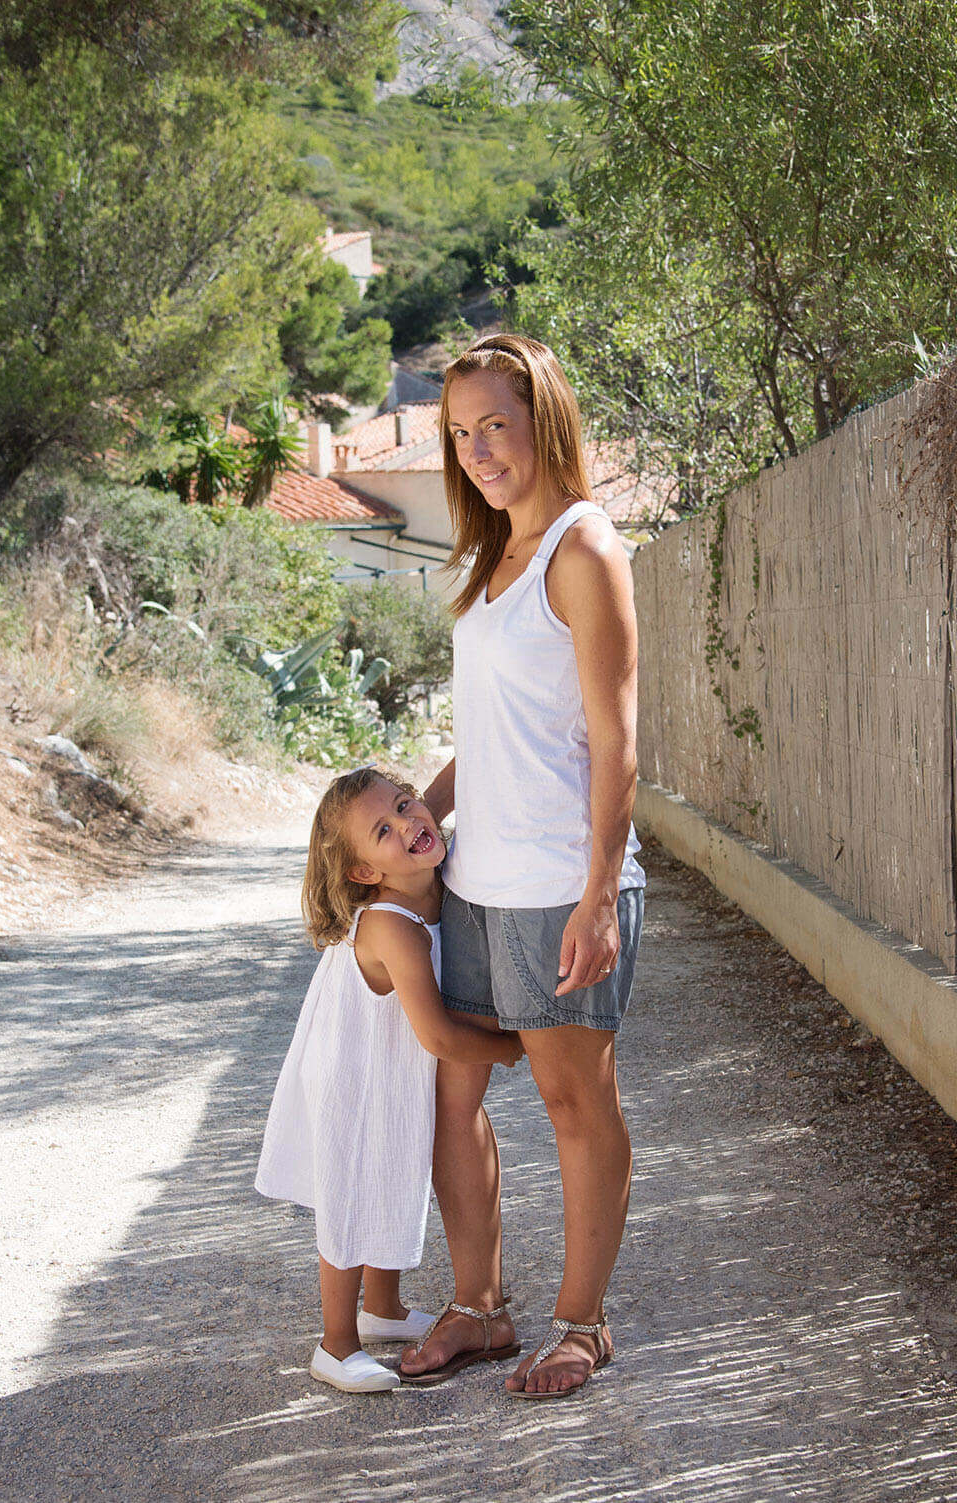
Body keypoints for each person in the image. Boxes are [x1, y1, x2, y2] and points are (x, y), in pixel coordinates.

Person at [398, 334, 646, 1400]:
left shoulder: (583, 550)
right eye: (459, 434)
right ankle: (478, 1310)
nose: (479, 450)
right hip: (474, 882)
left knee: (570, 1103)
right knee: (452, 1103)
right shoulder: (493, 557)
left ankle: (581, 1326)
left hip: (557, 884)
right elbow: (497, 732)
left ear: (542, 418)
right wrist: (420, 812)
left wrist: (598, 895)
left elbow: (616, 738)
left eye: (494, 424)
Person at [255, 767, 522, 1394]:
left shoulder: (438, 886)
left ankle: (385, 1310)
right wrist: (513, 1047)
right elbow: (437, 1035)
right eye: (383, 829)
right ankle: (336, 1343)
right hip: (350, 1071)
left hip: (387, 1065)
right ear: (364, 873)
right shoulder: (390, 923)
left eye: (405, 804)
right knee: (350, 1191)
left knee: (393, 1169)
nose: (408, 823)